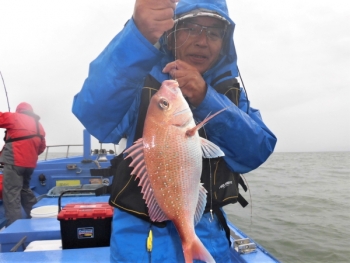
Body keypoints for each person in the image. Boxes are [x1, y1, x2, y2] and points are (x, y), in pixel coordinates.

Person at [72, 0, 277, 262]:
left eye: (214, 33)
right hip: (138, 242)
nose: (203, 41)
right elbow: (93, 114)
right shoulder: (139, 80)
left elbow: (256, 152)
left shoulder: (228, 93)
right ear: (171, 32)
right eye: (191, 28)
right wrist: (137, 36)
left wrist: (207, 97)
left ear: (225, 42)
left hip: (208, 235)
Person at [0, 102, 46, 226]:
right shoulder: (39, 126)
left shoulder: (15, 117)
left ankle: (14, 227)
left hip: (14, 163)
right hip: (29, 165)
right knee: (25, 189)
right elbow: (42, 147)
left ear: (19, 111)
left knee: (11, 194)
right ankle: (37, 216)